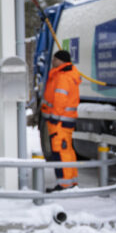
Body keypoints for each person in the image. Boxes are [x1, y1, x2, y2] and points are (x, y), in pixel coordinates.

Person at [41, 49, 81, 191]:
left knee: (60, 151)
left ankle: (64, 184)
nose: (52, 61)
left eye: (55, 59)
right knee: (67, 150)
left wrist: (53, 118)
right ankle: (71, 181)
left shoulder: (63, 77)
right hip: (66, 121)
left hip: (59, 122)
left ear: (60, 61)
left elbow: (59, 100)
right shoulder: (69, 74)